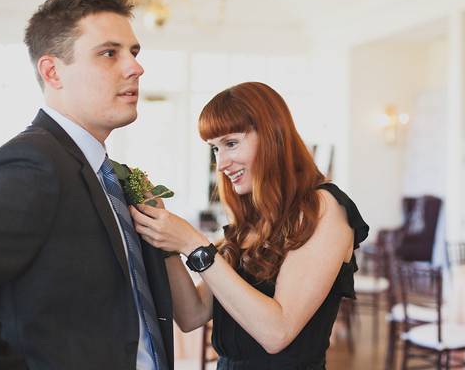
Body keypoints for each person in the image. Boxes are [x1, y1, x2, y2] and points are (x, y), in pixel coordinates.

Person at [0, 0, 173, 370]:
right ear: (52, 71)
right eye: (109, 53)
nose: (135, 67)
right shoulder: (34, 162)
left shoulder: (103, 172)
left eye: (133, 52)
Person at [131, 81, 369, 369]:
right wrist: (165, 241)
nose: (221, 164)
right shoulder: (251, 222)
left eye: (231, 143)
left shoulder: (322, 208)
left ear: (272, 136)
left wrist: (193, 245)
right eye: (215, 149)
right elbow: (191, 314)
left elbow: (277, 333)